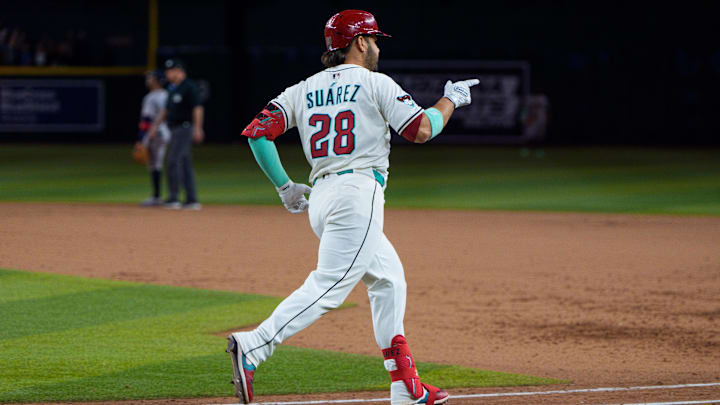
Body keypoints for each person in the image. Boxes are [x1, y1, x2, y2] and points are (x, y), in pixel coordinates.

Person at [227, 10, 478, 405]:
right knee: (330, 286)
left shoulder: (303, 88)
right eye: (374, 40)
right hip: (357, 195)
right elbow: (422, 129)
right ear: (360, 42)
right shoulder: (374, 82)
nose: (377, 47)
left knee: (389, 280)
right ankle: (254, 345)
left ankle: (405, 385)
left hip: (323, 197)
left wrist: (285, 186)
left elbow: (258, 134)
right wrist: (451, 100)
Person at [149, 58, 204, 210]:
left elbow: (197, 108)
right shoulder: (173, 88)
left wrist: (198, 128)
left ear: (179, 71)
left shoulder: (189, 87)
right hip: (175, 129)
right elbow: (165, 110)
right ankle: (191, 199)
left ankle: (174, 198)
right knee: (185, 163)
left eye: (169, 71)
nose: (167, 74)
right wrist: (155, 127)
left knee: (173, 160)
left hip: (185, 128)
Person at [136, 70, 170, 206]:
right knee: (158, 163)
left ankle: (156, 196)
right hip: (167, 132)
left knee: (154, 164)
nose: (148, 80)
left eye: (150, 78)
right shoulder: (167, 95)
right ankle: (162, 195)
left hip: (154, 133)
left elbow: (146, 120)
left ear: (157, 80)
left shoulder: (151, 97)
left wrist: (140, 139)